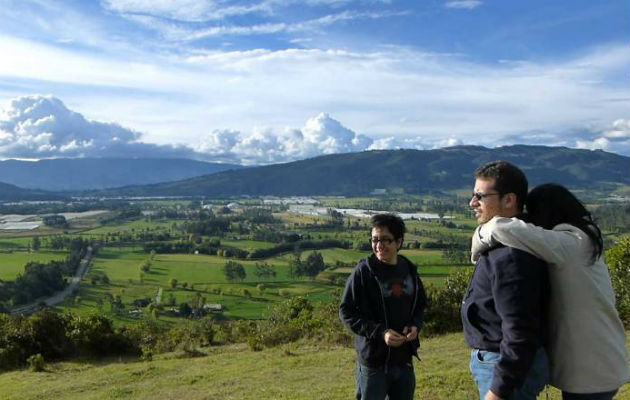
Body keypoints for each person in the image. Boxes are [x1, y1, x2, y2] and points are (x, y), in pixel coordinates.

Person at [471, 183, 629, 400]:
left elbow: (503, 228)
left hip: (591, 367)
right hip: (603, 356)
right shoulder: (585, 238)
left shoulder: (568, 243)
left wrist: (479, 234)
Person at [462, 160, 550, 400]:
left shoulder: (510, 255)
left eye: (480, 196)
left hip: (501, 365)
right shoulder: (509, 243)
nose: (473, 202)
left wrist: (499, 390)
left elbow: (520, 329)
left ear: (509, 200)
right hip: (500, 362)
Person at [339, 213, 427, 400]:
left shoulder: (409, 270)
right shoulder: (364, 272)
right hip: (373, 363)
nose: (379, 246)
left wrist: (415, 325)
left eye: (385, 240)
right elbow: (346, 312)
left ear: (399, 242)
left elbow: (420, 306)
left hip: (404, 361)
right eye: (375, 240)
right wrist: (380, 332)